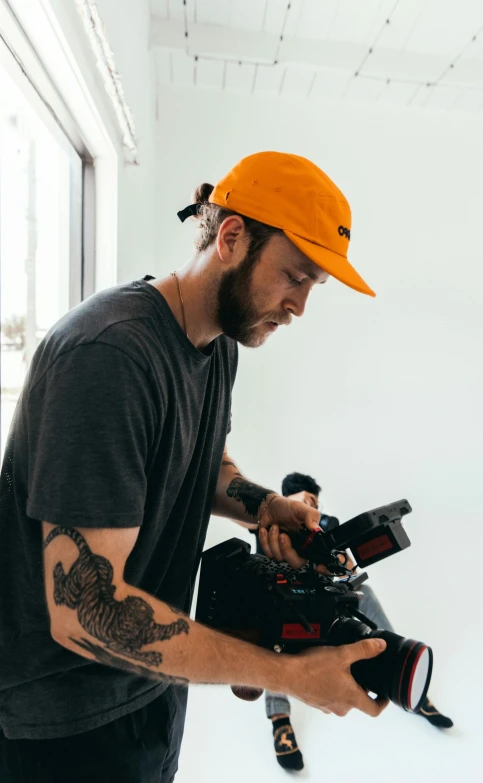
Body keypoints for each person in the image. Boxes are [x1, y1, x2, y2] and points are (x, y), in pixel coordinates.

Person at [0, 152, 388, 783]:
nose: (299, 308)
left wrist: (267, 507)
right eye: (294, 276)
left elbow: (199, 461)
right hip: (64, 725)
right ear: (231, 237)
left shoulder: (215, 345)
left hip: (149, 691)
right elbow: (85, 611)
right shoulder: (108, 359)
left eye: (313, 285)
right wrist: (291, 678)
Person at [246, 472, 453, 772]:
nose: (309, 503)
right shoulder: (268, 518)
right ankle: (280, 721)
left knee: (363, 591)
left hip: (321, 593)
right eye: (303, 498)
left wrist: (340, 563)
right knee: (273, 628)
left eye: (314, 501)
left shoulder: (326, 525)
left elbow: (346, 564)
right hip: (279, 599)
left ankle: (397, 662)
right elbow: (239, 509)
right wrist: (273, 510)